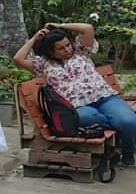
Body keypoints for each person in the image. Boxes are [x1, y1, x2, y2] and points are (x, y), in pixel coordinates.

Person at [14, 23, 136, 166]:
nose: (67, 49)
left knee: (127, 121)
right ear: (51, 52)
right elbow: (18, 59)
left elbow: (88, 28)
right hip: (78, 107)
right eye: (61, 48)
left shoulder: (81, 51)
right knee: (87, 117)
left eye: (67, 45)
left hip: (105, 98)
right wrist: (35, 38)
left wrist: (60, 25)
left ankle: (128, 154)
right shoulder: (44, 64)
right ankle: (119, 127)